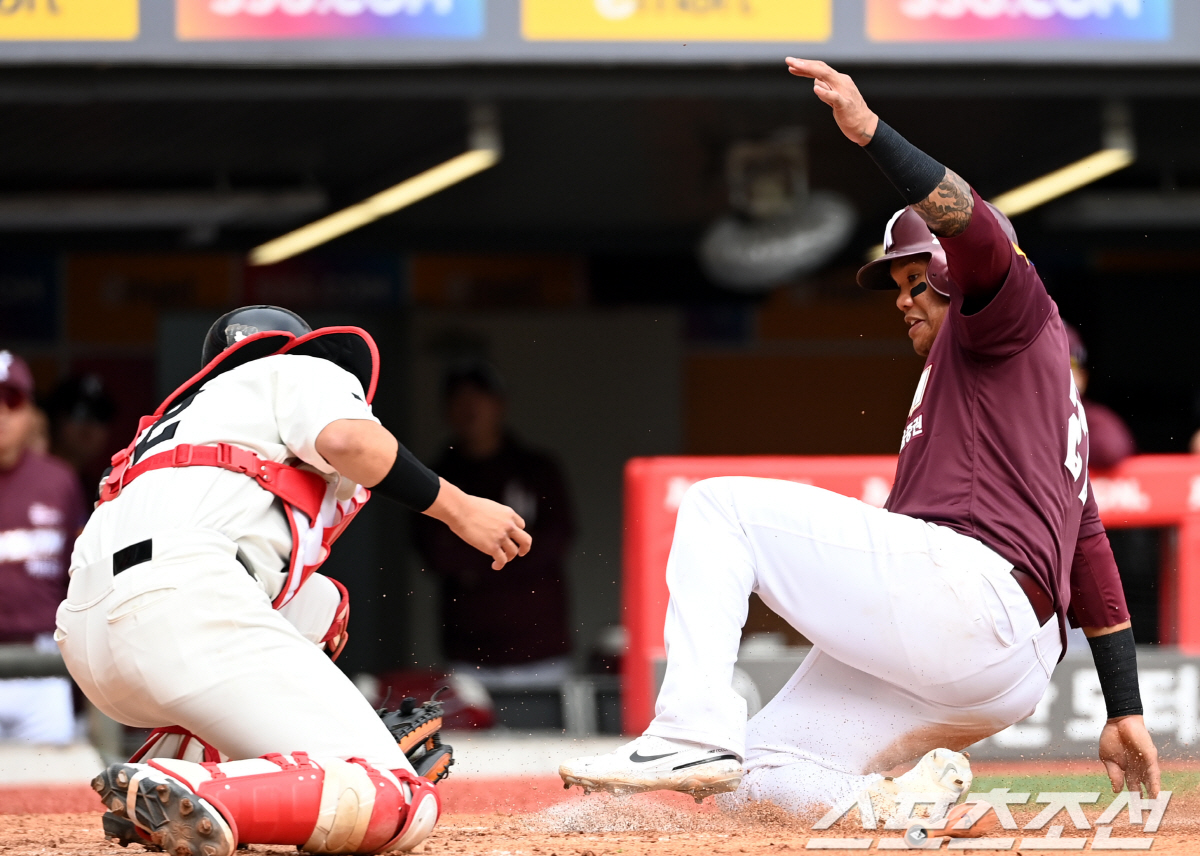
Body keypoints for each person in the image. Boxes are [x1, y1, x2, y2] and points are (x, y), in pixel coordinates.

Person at [560, 59, 1159, 816]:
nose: (905, 299)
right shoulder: (1014, 385)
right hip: (1008, 663)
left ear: (963, 273)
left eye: (919, 279)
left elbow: (970, 224)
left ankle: (690, 729)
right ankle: (901, 806)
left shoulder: (1011, 310)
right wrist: (1124, 709)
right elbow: (1091, 550)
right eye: (899, 287)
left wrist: (871, 133)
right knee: (758, 781)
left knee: (719, 508)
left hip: (974, 599)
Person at [56, 307, 531, 856]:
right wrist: (460, 509)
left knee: (321, 603)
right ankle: (203, 786)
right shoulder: (296, 368)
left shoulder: (168, 425)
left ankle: (192, 767)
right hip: (181, 609)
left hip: (89, 644)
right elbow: (351, 441)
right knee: (399, 798)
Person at [414, 362, 575, 688]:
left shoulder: (537, 469)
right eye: (459, 398)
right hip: (467, 652)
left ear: (501, 404)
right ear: (446, 409)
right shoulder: (434, 477)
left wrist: (479, 564)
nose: (470, 407)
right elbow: (435, 554)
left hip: (541, 649)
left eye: (480, 396)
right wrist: (506, 552)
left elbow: (558, 537)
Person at [0, 351, 86, 744]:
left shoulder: (59, 480)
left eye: (12, 400)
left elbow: (85, 576)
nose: (1, 413)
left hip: (43, 666)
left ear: (31, 412)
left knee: (51, 796)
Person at [1064, 323, 1136, 469]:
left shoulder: (1092, 417)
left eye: (1069, 364)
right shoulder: (1013, 414)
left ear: (1082, 377)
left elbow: (1109, 449)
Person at [44, 373, 118, 496]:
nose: (90, 423)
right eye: (78, 412)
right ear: (54, 418)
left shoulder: (98, 490)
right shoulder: (28, 480)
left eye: (101, 415)